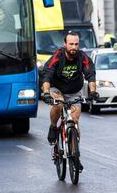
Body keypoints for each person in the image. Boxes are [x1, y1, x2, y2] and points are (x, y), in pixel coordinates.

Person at [41, 31, 99, 172]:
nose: (74, 47)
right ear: (65, 44)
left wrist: (93, 92)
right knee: (59, 103)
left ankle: (75, 156)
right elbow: (47, 75)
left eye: (76, 44)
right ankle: (53, 127)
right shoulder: (58, 56)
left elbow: (90, 75)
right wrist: (47, 93)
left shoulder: (82, 57)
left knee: (75, 120)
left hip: (74, 91)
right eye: (71, 44)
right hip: (57, 88)